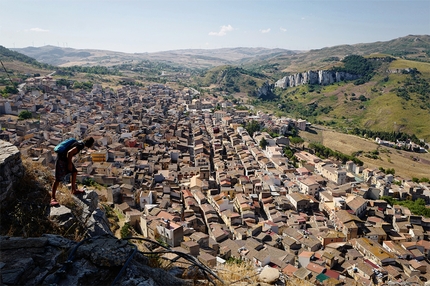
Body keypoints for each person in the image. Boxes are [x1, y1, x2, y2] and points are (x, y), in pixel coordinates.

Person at [50, 137, 94, 206]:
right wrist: (69, 164)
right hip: (61, 160)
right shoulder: (80, 145)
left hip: (65, 159)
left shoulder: (79, 142)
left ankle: (73, 190)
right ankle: (53, 198)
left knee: (74, 172)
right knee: (57, 179)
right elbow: (70, 153)